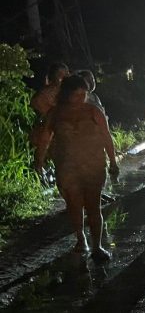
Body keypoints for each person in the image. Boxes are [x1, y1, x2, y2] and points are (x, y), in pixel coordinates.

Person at [34, 75, 117, 261]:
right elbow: (44, 139)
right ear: (66, 94)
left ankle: (97, 245)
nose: (81, 98)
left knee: (94, 206)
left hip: (93, 165)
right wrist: (39, 161)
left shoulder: (93, 111)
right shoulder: (55, 114)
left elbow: (106, 136)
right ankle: (81, 239)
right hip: (67, 165)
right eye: (76, 95)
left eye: (83, 95)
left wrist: (113, 161)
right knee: (74, 205)